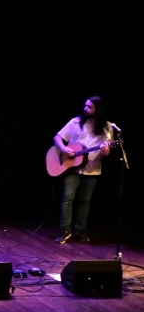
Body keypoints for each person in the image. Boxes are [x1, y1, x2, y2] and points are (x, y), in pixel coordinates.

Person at [53, 96, 113, 244]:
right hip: (72, 168)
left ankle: (80, 230)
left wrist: (106, 150)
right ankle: (65, 231)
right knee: (67, 198)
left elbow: (106, 152)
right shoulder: (75, 122)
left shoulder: (107, 127)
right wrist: (64, 149)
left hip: (92, 169)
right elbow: (58, 138)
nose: (85, 109)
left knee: (85, 201)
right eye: (85, 106)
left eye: (89, 107)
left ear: (98, 109)